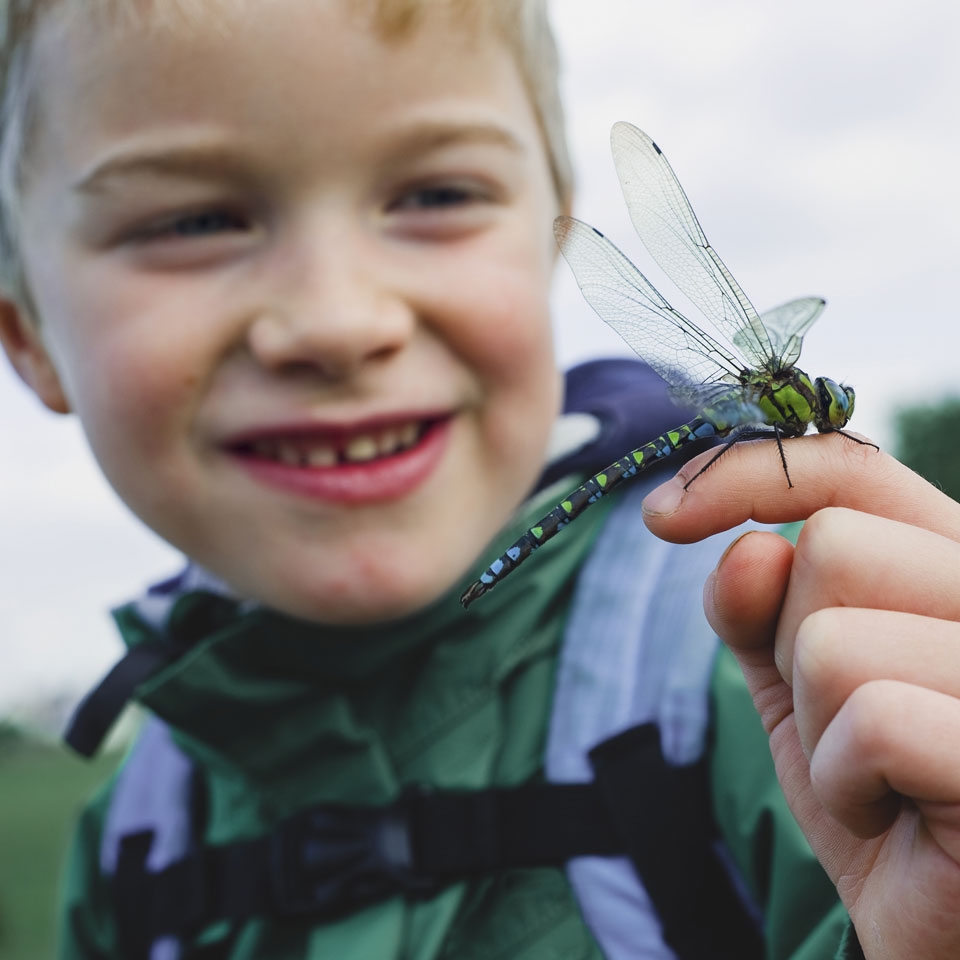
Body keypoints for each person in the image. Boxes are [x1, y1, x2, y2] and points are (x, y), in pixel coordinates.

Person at [0, 0, 957, 957]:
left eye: (434, 196)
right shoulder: (135, 839)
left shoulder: (794, 656)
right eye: (194, 219)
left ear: (549, 226)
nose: (339, 320)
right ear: (29, 340)